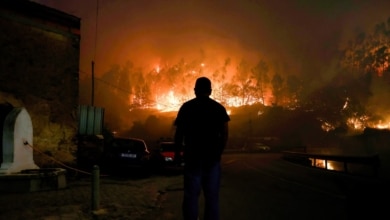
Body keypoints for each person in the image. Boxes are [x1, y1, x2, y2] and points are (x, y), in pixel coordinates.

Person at [174, 76, 230, 220]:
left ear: (195, 91)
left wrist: (178, 154)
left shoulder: (186, 108)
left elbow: (179, 134)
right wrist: (218, 153)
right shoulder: (219, 109)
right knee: (212, 199)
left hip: (192, 159)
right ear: (210, 91)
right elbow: (225, 134)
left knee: (191, 197)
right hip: (212, 160)